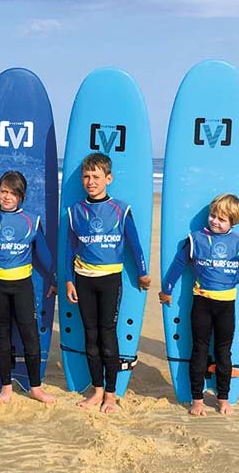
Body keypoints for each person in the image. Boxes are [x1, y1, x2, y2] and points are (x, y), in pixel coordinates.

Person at [158, 193, 239, 416]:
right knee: (199, 350)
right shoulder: (196, 239)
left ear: (232, 222)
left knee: (223, 353)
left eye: (222, 219)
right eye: (213, 215)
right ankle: (197, 399)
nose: (215, 221)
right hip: (202, 303)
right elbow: (178, 264)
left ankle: (223, 398)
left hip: (226, 305)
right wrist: (166, 289)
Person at [64, 153, 151, 414]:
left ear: (108, 179)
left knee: (108, 336)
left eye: (96, 177)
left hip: (111, 279)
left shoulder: (120, 210)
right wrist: (69, 280)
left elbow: (134, 245)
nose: (90, 181)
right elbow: (69, 249)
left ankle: (111, 395)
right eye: (86, 177)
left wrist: (142, 273)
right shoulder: (75, 211)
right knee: (90, 337)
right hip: (84, 279)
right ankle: (97, 390)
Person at [0, 171, 57, 404]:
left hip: (22, 285)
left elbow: (43, 255)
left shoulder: (31, 221)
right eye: (4, 191)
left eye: (13, 193)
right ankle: (6, 388)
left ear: (21, 196)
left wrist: (54, 278)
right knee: (1, 334)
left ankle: (35, 387)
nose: (7, 197)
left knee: (30, 335)